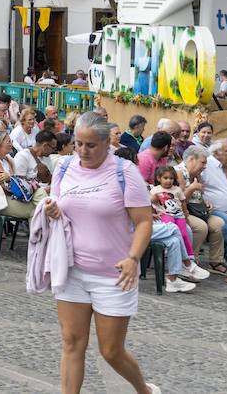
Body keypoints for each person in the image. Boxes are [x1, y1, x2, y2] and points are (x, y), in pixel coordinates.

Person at [43, 112, 161, 394]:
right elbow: (59, 208)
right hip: (72, 269)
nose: (82, 151)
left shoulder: (124, 171)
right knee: (72, 343)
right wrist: (52, 210)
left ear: (107, 143)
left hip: (114, 275)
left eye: (90, 145)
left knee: (111, 351)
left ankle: (143, 390)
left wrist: (133, 258)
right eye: (78, 144)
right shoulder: (63, 168)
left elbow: (144, 221)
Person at [173, 147, 227, 276]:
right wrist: (192, 188)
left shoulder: (197, 174)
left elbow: (198, 196)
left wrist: (205, 202)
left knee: (218, 223)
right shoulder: (178, 173)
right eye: (203, 163)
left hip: (196, 210)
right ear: (191, 159)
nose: (205, 166)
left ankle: (216, 261)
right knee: (200, 227)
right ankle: (190, 261)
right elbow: (178, 201)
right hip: (180, 211)